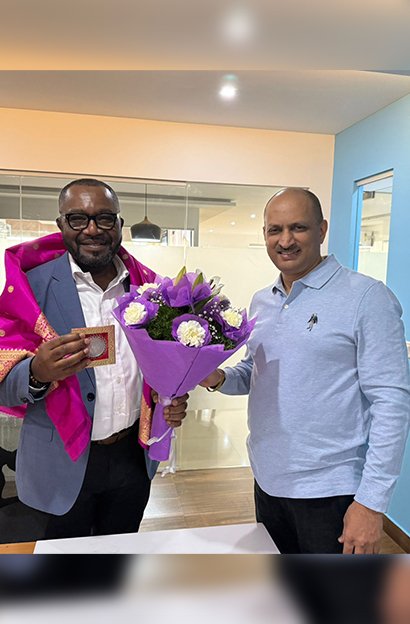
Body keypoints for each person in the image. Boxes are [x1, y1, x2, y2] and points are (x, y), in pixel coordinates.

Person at [201, 187, 410, 554]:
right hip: (268, 481)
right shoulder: (262, 300)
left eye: (298, 227)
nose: (285, 240)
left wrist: (371, 502)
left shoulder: (367, 297)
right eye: (275, 230)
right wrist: (218, 378)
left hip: (333, 492)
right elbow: (255, 371)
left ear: (322, 230)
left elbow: (392, 403)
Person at [0, 178, 188, 541]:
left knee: (119, 555)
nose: (91, 229)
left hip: (132, 459)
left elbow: (164, 369)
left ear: (119, 224)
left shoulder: (149, 289)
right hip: (60, 463)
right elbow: (3, 384)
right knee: (64, 568)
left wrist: (172, 398)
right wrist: (36, 373)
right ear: (61, 224)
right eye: (77, 218)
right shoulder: (30, 288)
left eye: (104, 218)